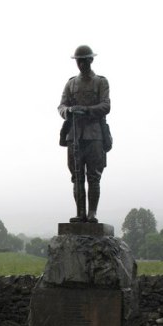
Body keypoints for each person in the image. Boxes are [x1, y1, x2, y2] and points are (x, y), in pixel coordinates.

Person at [58, 45, 110, 223]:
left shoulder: (101, 82)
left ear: (91, 60)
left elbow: (106, 106)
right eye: (78, 61)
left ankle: (92, 213)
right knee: (77, 177)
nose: (81, 64)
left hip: (94, 135)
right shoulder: (71, 83)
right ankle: (80, 213)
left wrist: (86, 110)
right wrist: (70, 110)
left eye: (84, 60)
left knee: (94, 176)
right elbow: (61, 106)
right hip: (74, 136)